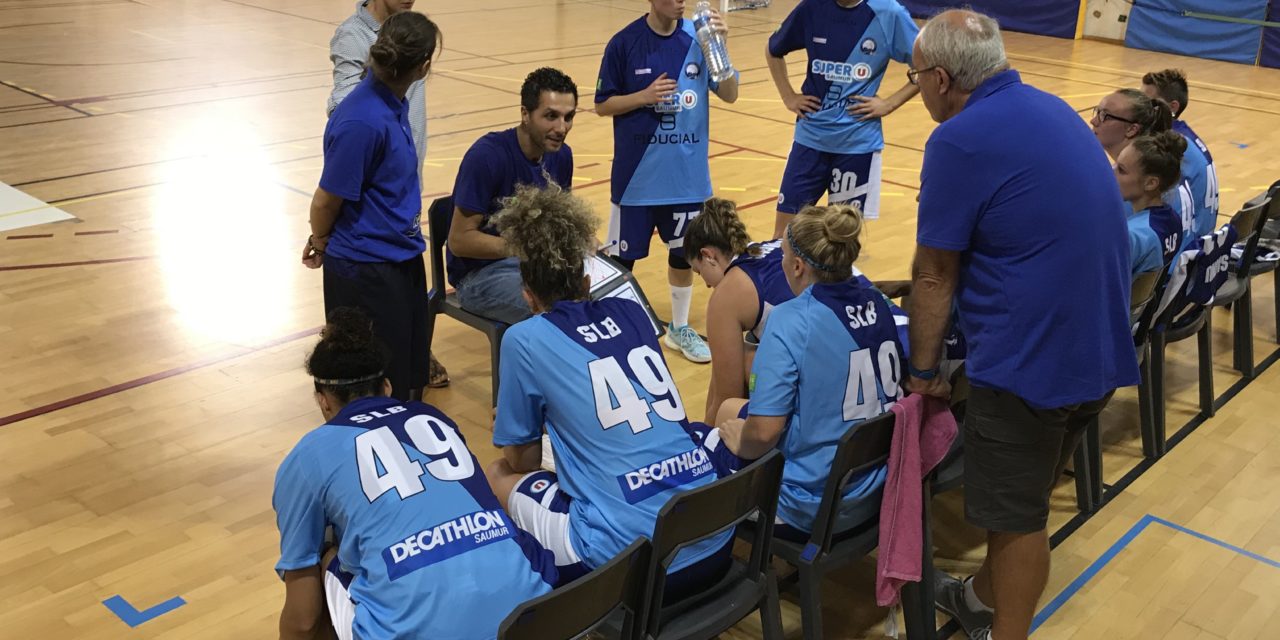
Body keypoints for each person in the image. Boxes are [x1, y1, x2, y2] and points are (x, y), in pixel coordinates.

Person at [906, 11, 1139, 640]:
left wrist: (921, 372)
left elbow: (933, 276)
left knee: (1016, 521)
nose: (914, 87)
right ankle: (980, 597)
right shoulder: (1055, 109)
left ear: (944, 78)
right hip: (1099, 351)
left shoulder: (958, 139)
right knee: (1023, 505)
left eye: (915, 75)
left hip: (1031, 365)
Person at [485, 184, 732, 596]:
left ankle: (542, 602)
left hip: (632, 567)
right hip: (714, 537)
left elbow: (523, 459)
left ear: (528, 296)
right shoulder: (631, 311)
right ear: (586, 283)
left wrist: (530, 427)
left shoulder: (524, 338)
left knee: (498, 474)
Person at [272, 307, 557, 640]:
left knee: (325, 552)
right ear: (388, 386)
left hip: (422, 628)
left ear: (323, 401)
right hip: (534, 614)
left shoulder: (307, 455)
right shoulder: (434, 417)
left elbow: (302, 621)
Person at [707, 203, 904, 542]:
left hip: (812, 507)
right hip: (878, 486)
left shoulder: (790, 320)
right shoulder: (877, 301)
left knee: (708, 443)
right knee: (736, 414)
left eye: (781, 255)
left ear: (797, 266)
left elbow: (765, 433)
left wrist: (742, 440)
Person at [302, 12, 443, 401]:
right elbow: (325, 199)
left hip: (400, 257)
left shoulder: (393, 104)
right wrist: (320, 238)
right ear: (424, 67)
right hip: (366, 271)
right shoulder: (362, 120)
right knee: (375, 385)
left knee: (409, 378)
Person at [594, 0, 740, 364]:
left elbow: (731, 93)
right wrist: (643, 97)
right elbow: (602, 104)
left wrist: (721, 47)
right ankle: (613, 328)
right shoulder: (623, 43)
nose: (681, 2)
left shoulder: (701, 37)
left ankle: (678, 329)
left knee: (682, 255)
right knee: (622, 261)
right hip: (636, 182)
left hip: (686, 179)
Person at [765, 0, 920, 240]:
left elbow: (928, 63)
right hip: (809, 140)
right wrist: (788, 95)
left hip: (857, 145)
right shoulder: (811, 8)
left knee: (841, 242)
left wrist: (890, 103)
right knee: (783, 237)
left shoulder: (888, 13)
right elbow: (773, 49)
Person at [446, 67, 577, 325]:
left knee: (601, 295)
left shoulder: (562, 156)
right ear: (525, 114)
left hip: (535, 267)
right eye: (550, 116)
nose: (561, 128)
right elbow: (459, 241)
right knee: (558, 314)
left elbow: (562, 222)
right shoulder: (487, 156)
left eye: (568, 117)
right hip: (480, 276)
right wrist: (526, 248)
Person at [685, 198, 795, 423]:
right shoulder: (775, 245)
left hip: (828, 394)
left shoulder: (729, 291)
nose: (705, 284)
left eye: (699, 272)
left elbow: (728, 398)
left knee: (738, 360)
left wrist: (706, 438)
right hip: (867, 358)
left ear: (708, 255)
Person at [328, 0, 426, 180]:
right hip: (377, 185)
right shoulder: (352, 35)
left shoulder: (410, 30)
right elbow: (342, 104)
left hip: (409, 180)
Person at [1091, 89, 1195, 239]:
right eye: (1097, 111)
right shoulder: (1155, 164)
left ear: (1132, 129)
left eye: (1105, 116)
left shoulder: (1131, 187)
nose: (1094, 121)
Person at [1143, 69, 1219, 238]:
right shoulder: (1184, 135)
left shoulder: (1169, 144)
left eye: (1149, 102)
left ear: (1172, 106)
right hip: (1203, 237)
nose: (1142, 107)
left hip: (1190, 246)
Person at [1116, 132, 1186, 276]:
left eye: (1121, 170)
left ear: (1150, 183)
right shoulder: (1173, 219)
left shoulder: (1133, 236)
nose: (1111, 173)